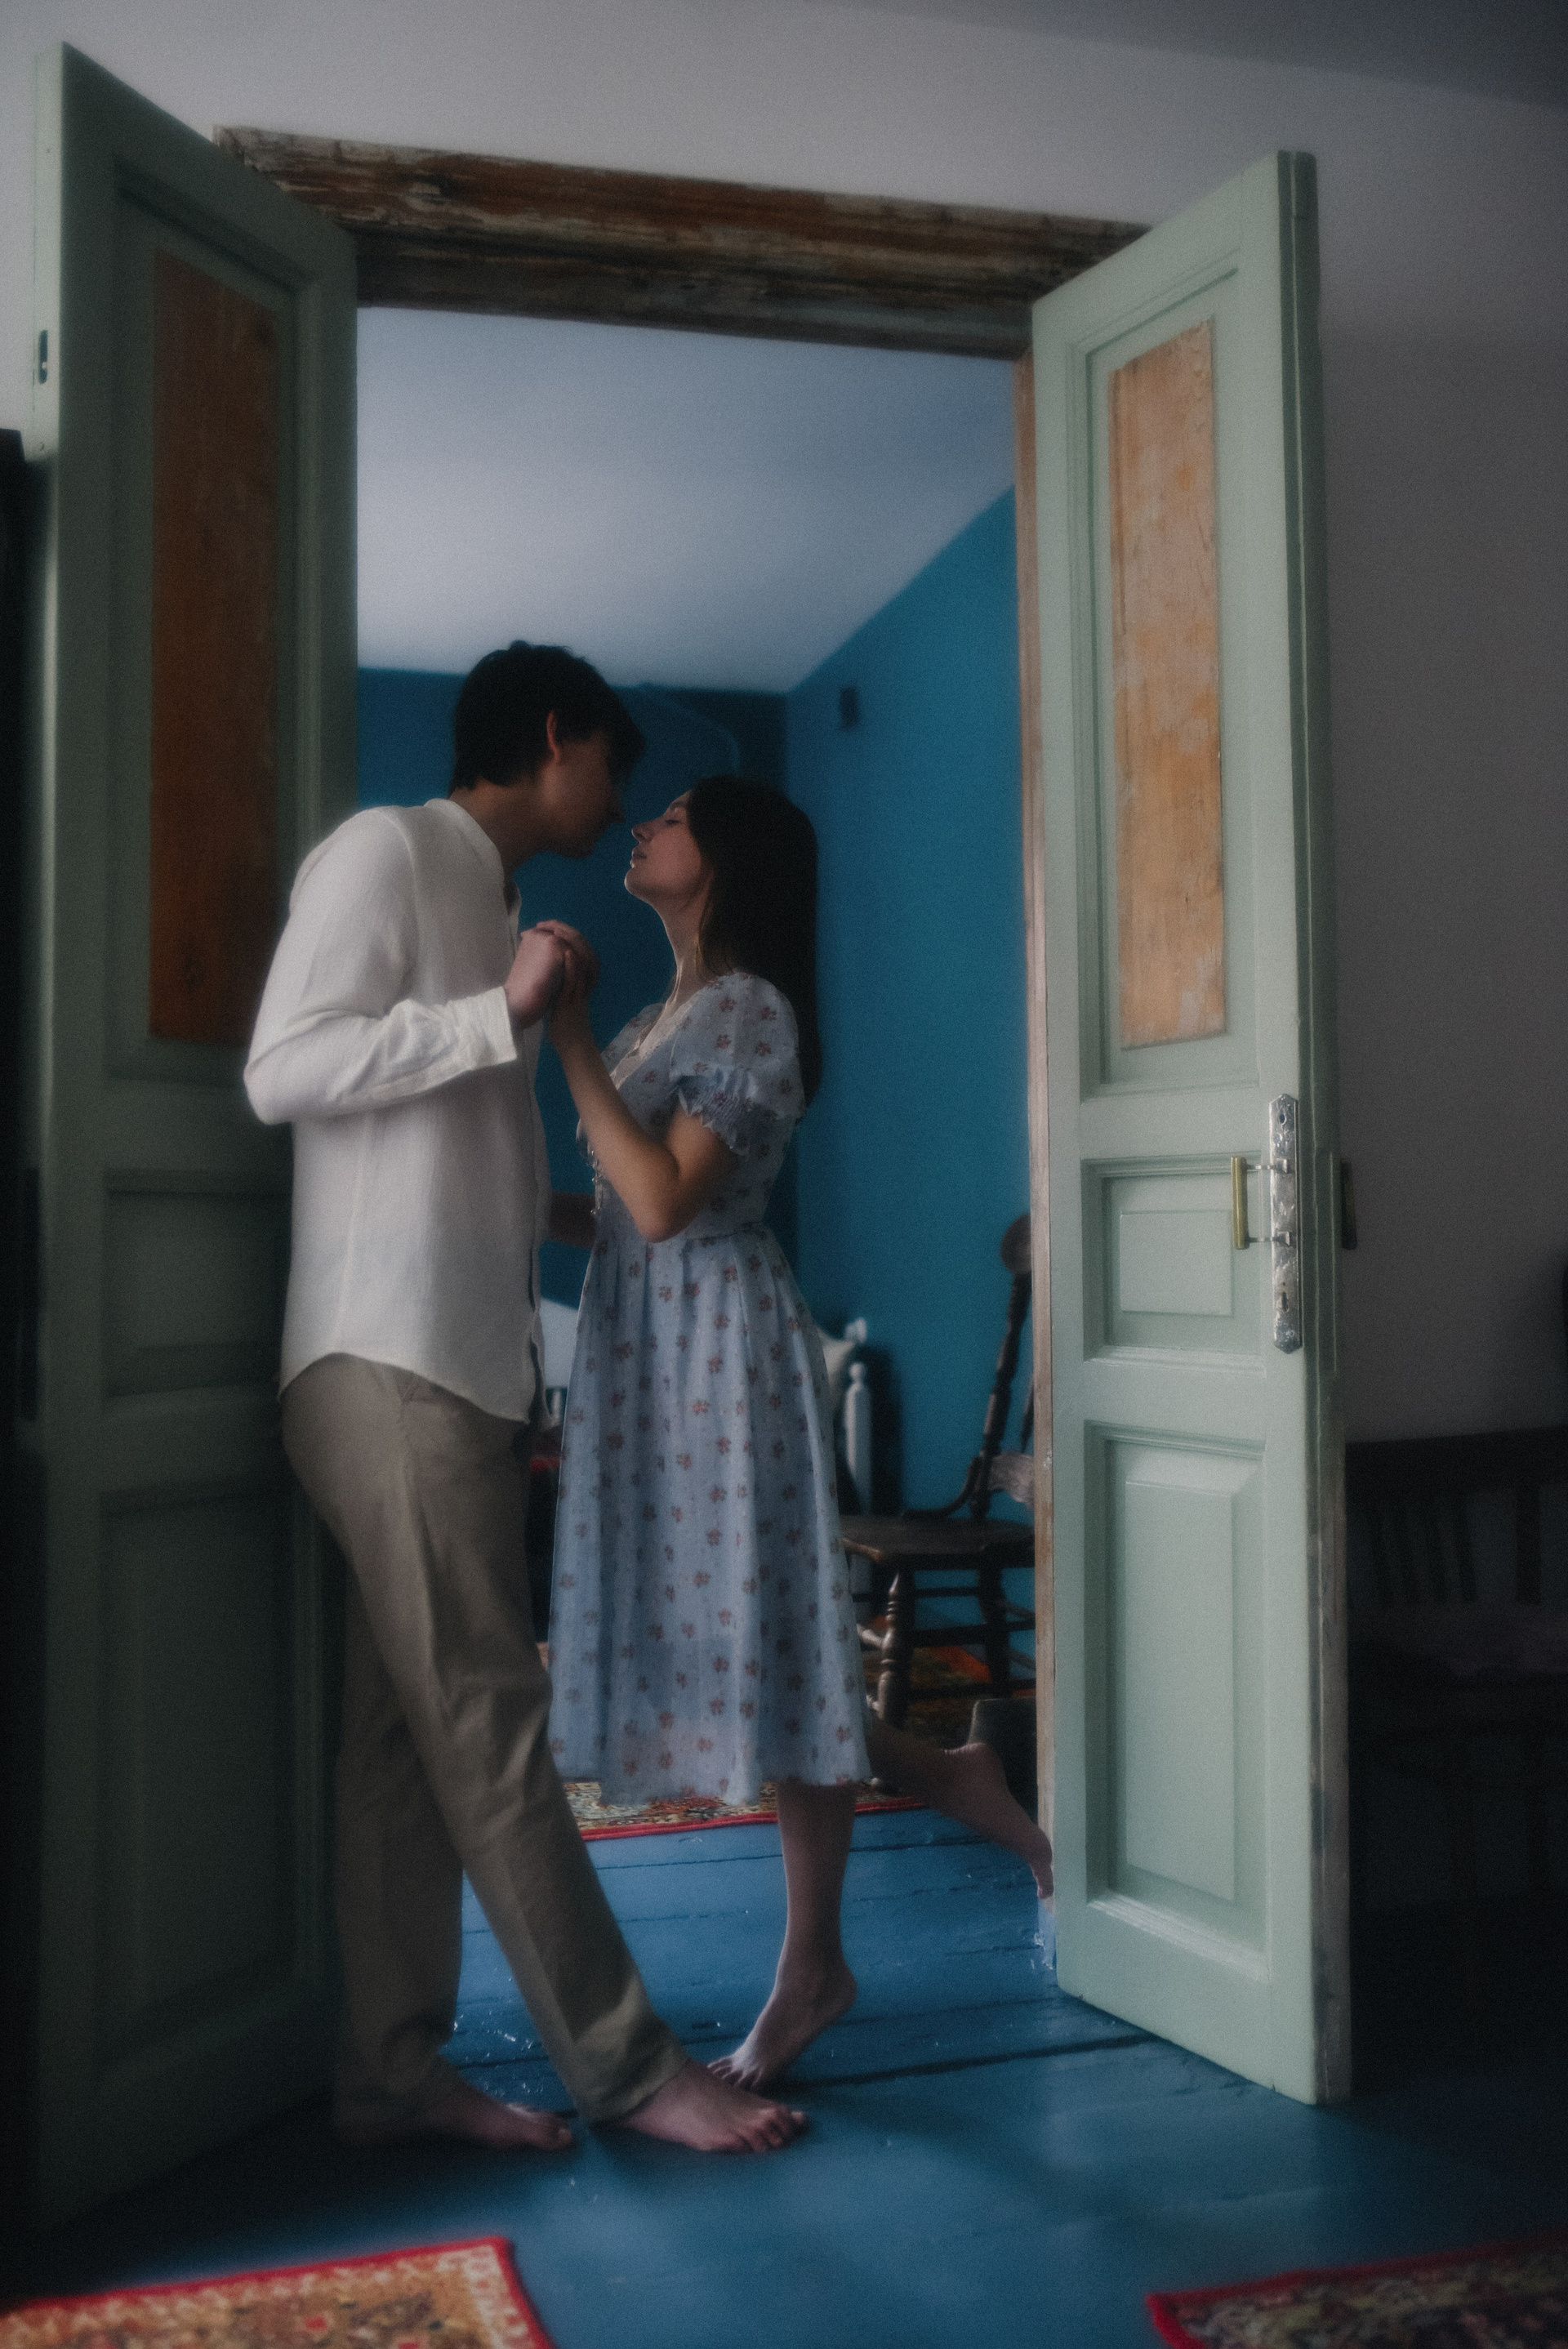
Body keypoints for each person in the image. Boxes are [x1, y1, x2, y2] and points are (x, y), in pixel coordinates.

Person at [244, 646, 806, 2155]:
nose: (620, 803)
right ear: (554, 738)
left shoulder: (496, 909)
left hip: (459, 1376)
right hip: (384, 1360)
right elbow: (281, 1070)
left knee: (401, 1752)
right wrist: (495, 1012)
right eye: (613, 767)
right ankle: (633, 2068)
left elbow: (478, 1168)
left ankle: (389, 2078)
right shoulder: (386, 851)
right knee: (497, 1725)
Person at [546, 776, 1052, 2093]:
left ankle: (813, 1962)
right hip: (649, 1351)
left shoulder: (753, 1010)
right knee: (757, 1652)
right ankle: (958, 1779)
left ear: (726, 857)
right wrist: (505, 1200)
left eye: (671, 816)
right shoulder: (663, 1016)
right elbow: (618, 1210)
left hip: (721, 1352)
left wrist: (568, 1038)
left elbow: (666, 1202)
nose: (643, 825)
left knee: (774, 1641)